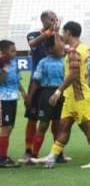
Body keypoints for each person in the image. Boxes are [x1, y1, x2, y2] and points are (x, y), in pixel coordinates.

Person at [32, 21, 90, 169]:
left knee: (87, 127)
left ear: (68, 33)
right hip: (72, 96)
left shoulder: (74, 52)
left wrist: (58, 91)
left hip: (78, 96)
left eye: (63, 33)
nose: (63, 36)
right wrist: (56, 32)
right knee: (64, 127)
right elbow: (61, 48)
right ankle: (52, 157)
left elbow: (73, 74)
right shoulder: (82, 48)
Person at [24, 11, 63, 160]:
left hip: (55, 84)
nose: (54, 20)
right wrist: (48, 32)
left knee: (56, 120)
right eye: (51, 18)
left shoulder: (56, 36)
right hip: (37, 82)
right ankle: (29, 151)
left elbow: (62, 52)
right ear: (43, 20)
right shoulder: (33, 34)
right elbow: (32, 43)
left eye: (55, 18)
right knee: (32, 118)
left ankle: (57, 152)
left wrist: (56, 33)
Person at [21, 46, 65, 164]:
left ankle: (58, 154)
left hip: (61, 93)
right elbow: (36, 80)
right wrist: (30, 96)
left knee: (58, 125)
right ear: (50, 50)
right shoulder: (43, 62)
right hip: (46, 93)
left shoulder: (65, 61)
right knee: (43, 125)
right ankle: (34, 155)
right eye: (58, 48)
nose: (61, 49)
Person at [0, 40, 26, 168]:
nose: (15, 53)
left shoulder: (14, 64)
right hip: (3, 99)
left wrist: (23, 92)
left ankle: (3, 155)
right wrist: (3, 70)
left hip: (13, 98)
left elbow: (17, 79)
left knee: (9, 127)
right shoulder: (1, 64)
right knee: (5, 127)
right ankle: (2, 158)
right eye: (12, 51)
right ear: (3, 52)